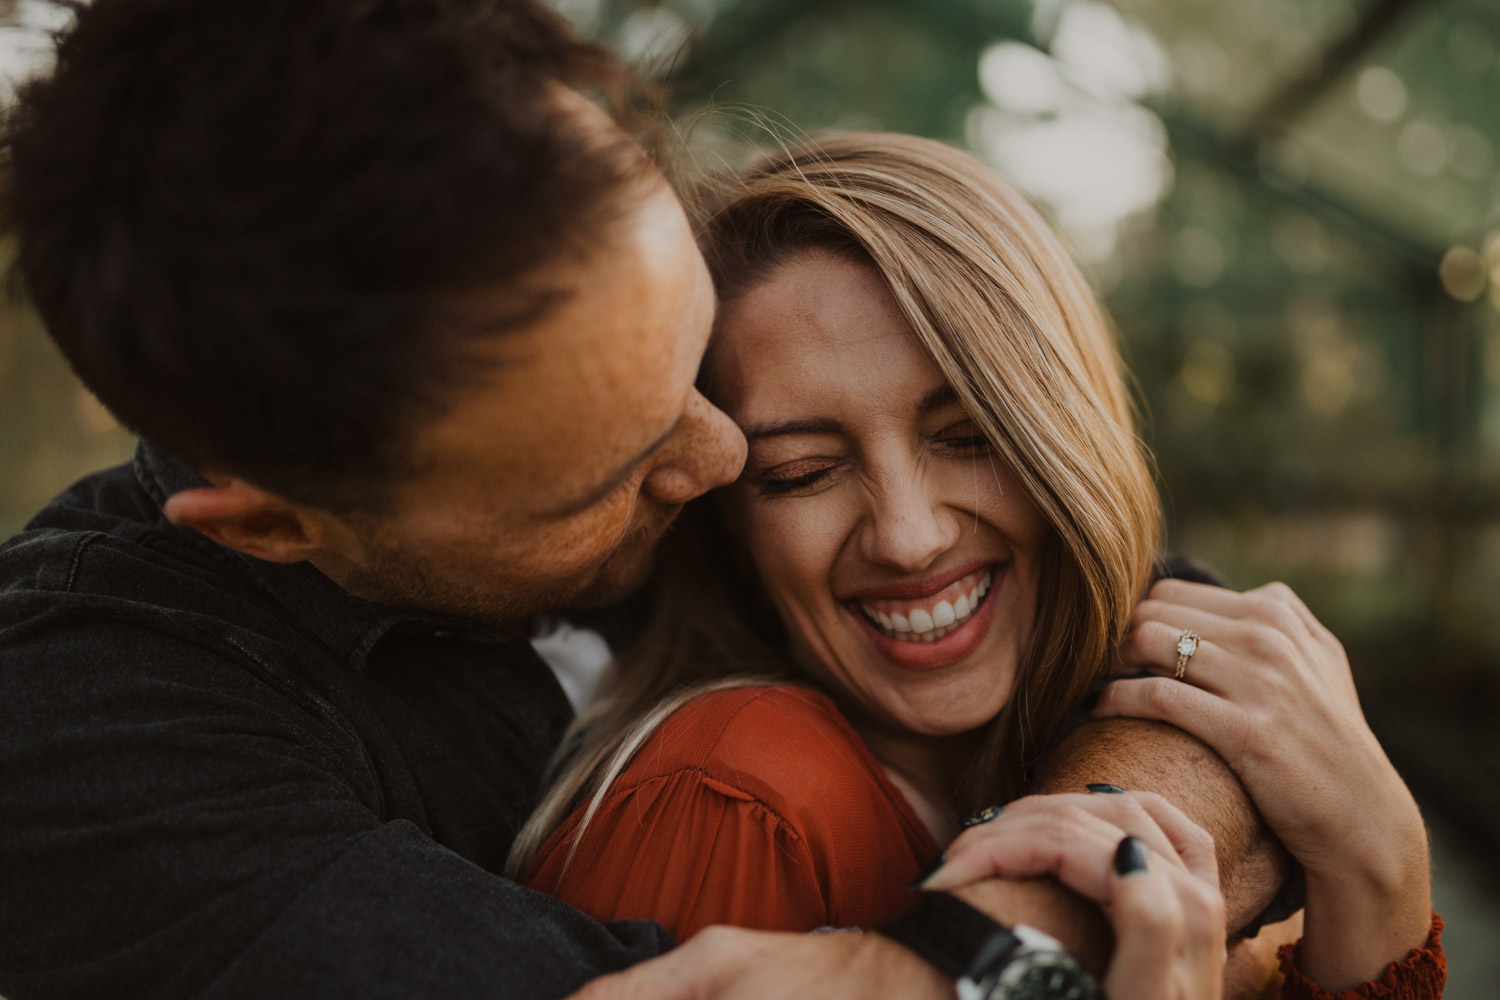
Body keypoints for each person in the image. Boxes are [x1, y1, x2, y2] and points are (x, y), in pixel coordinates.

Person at [0, 1, 1294, 997]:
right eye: (613, 471)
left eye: (692, 369)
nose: (719, 463)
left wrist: (1041, 899)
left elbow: (1160, 618)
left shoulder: (723, 494)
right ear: (281, 522)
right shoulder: (90, 744)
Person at [516, 133, 1445, 998]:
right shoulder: (734, 800)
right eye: (803, 472)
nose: (910, 537)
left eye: (969, 436)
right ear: (727, 524)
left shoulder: (1032, 754)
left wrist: (1381, 868)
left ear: (1068, 438)